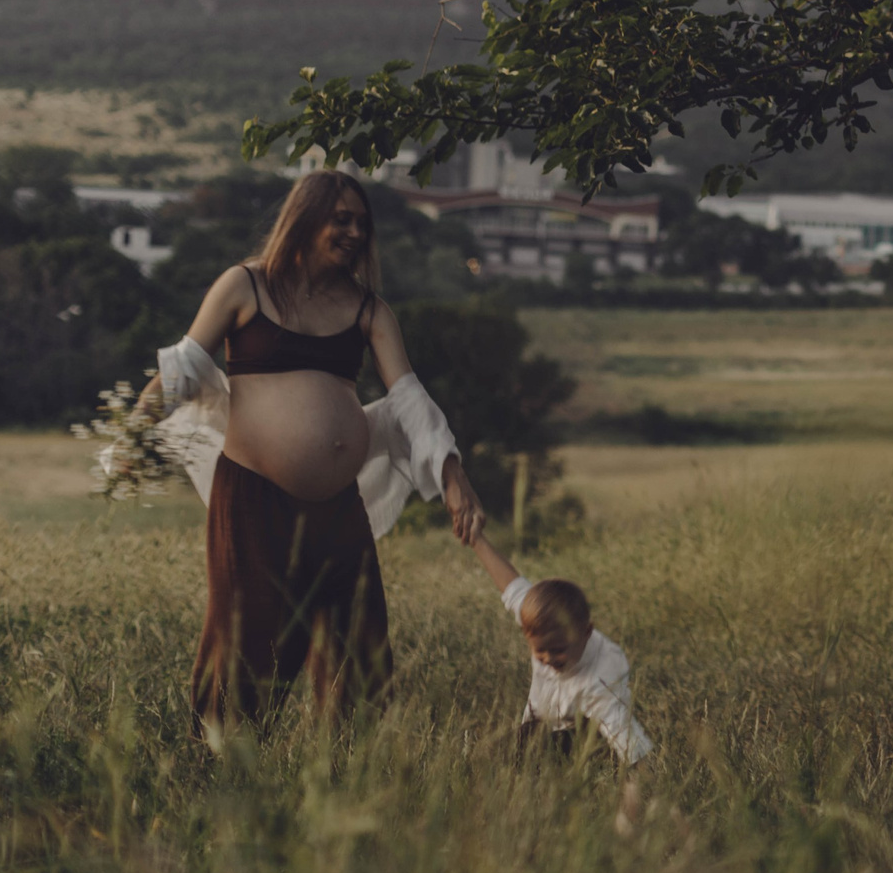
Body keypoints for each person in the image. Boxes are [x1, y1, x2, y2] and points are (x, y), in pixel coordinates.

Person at [147, 170, 487, 730]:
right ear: (305, 219)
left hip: (336, 505)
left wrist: (452, 473)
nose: (355, 231)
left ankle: (347, 768)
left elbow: (409, 398)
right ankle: (226, 760)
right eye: (341, 219)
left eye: (362, 222)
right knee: (248, 630)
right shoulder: (245, 286)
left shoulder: (368, 310)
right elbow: (182, 367)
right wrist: (135, 428)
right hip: (253, 495)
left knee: (360, 635)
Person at [463, 527, 654, 764]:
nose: (548, 658)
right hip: (540, 730)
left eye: (558, 650)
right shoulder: (542, 625)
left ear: (586, 633)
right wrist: (476, 538)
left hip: (588, 744)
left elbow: (629, 742)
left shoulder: (601, 675)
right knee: (487, 754)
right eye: (539, 650)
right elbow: (511, 586)